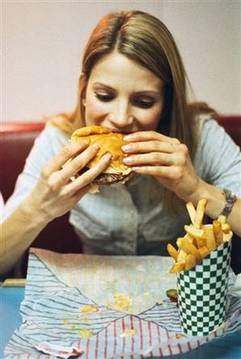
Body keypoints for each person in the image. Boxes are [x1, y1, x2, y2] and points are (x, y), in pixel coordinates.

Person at [1, 10, 241, 276]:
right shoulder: (58, 142)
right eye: (104, 96)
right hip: (91, 297)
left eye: (144, 101)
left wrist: (197, 190)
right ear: (83, 91)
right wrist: (38, 208)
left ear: (167, 103)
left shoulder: (201, 136)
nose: (120, 118)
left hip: (178, 294)